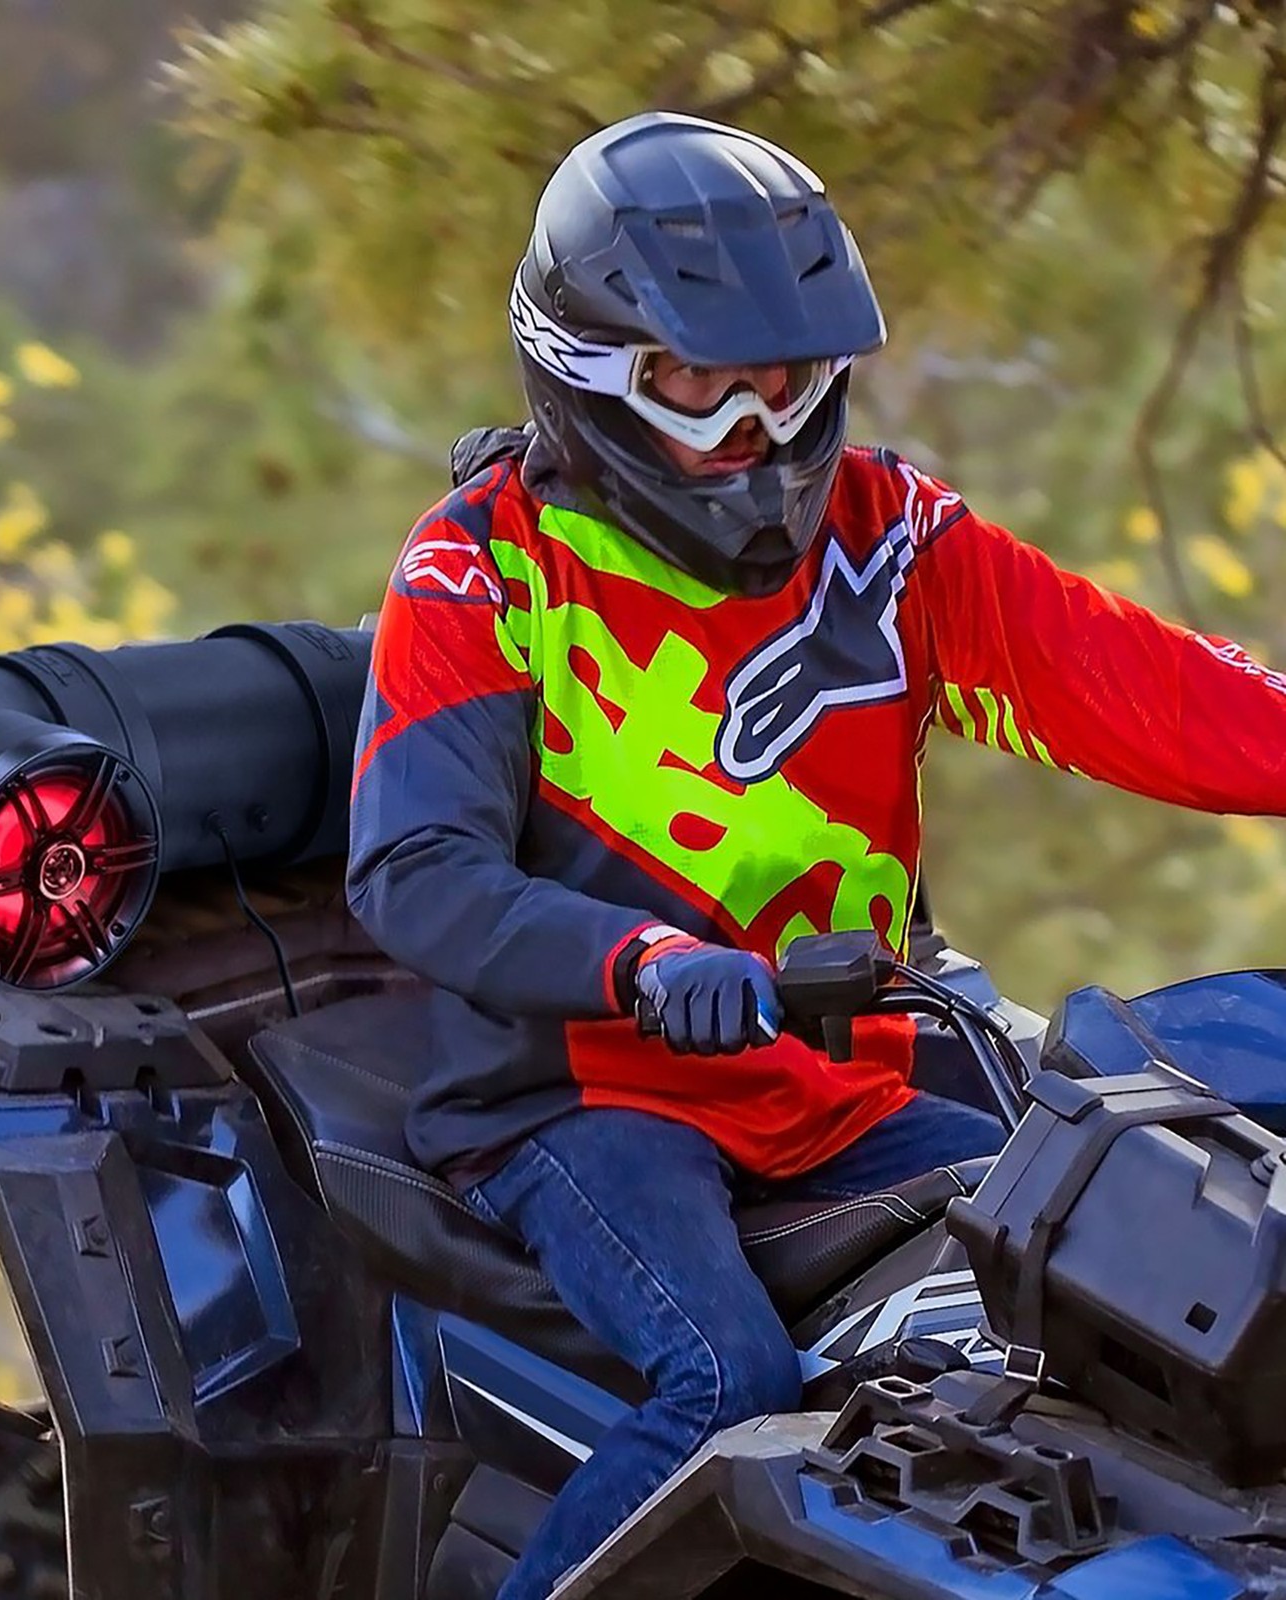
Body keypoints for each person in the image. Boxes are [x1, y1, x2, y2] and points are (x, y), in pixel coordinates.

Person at [346, 110, 1286, 1600]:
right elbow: (415, 871)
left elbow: (1150, 688)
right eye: (701, 384)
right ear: (586, 368)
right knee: (729, 1383)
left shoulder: (887, 540)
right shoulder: (482, 565)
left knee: (1103, 1304)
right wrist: (642, 963)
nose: (758, 432)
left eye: (786, 382)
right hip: (576, 1098)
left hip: (837, 1089)